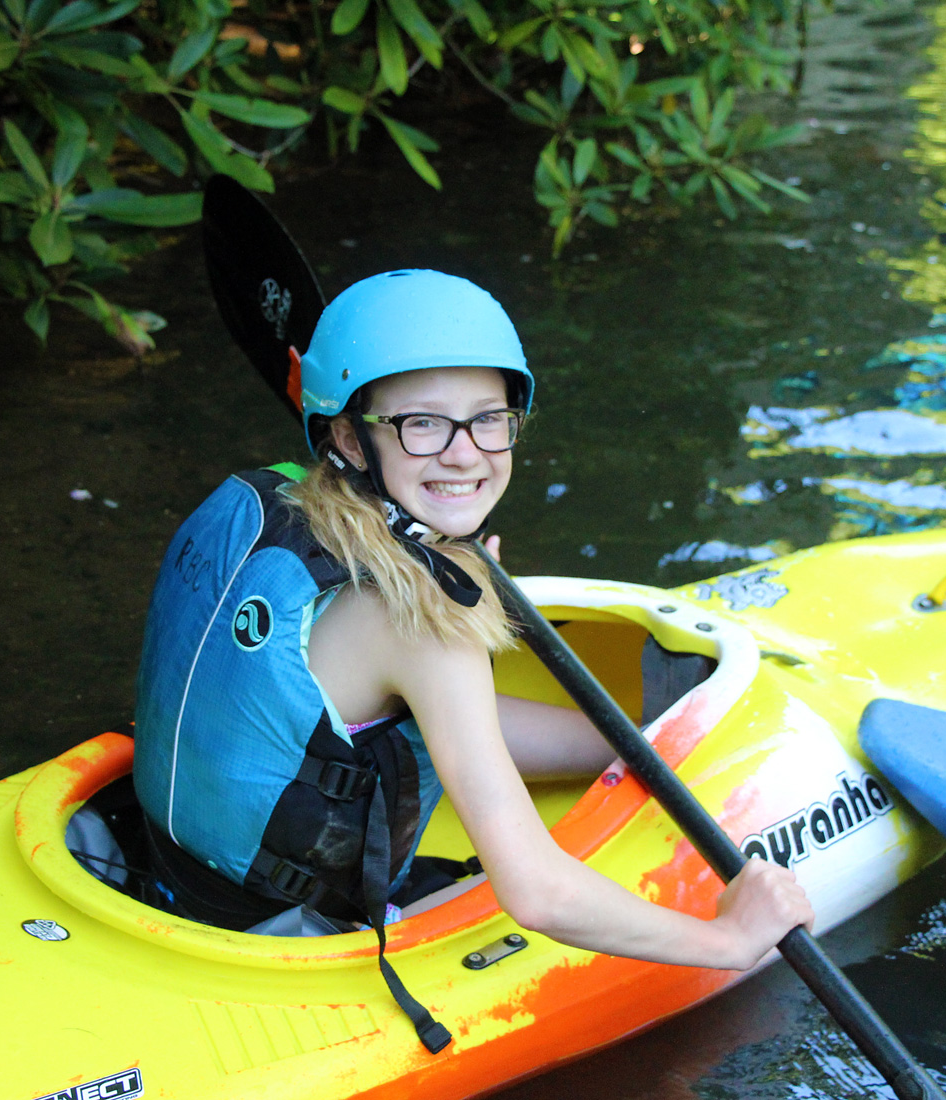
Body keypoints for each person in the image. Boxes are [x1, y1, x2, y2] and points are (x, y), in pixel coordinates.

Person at [132, 269, 813, 1051]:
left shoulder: (263, 502)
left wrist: (631, 747)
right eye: (423, 424)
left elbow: (429, 718)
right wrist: (730, 942)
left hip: (173, 872)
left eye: (489, 420)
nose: (465, 456)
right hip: (285, 940)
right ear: (350, 437)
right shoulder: (419, 620)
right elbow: (536, 891)